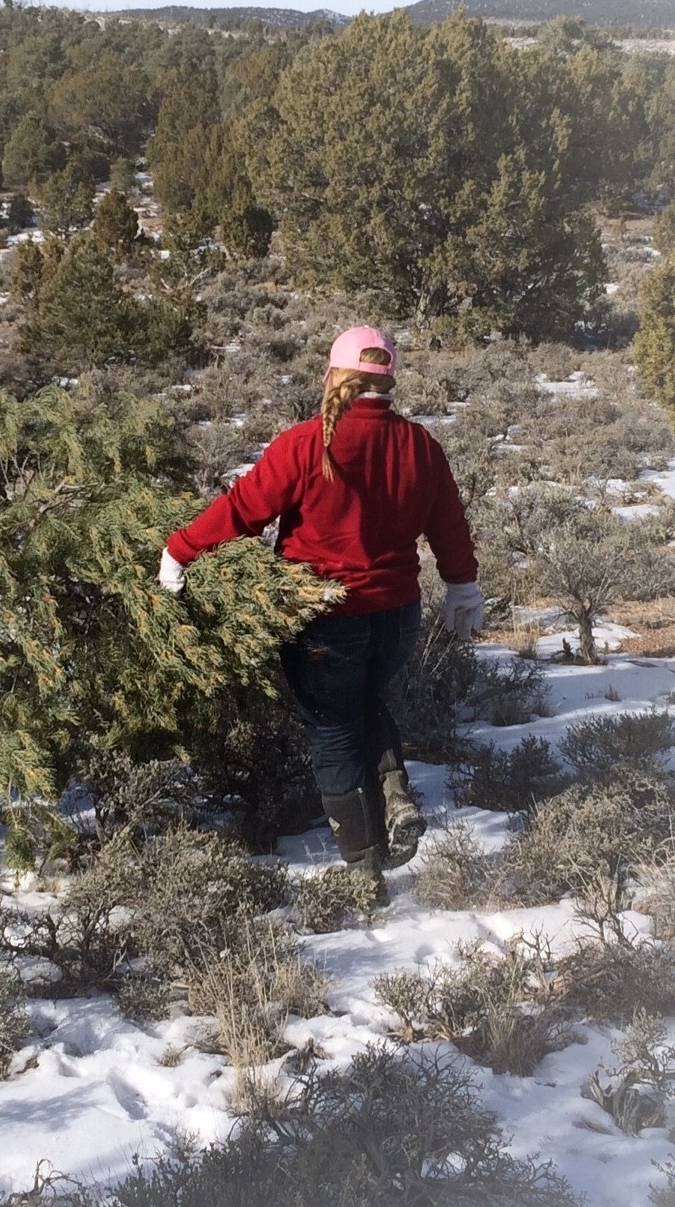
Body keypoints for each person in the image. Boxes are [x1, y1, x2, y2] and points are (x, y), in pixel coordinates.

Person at [159, 327, 483, 894]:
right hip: (397, 616)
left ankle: (364, 872)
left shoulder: (307, 443)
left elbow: (245, 510)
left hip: (323, 618)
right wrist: (462, 588)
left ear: (334, 376)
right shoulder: (420, 444)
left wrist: (180, 549)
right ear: (390, 380)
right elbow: (449, 527)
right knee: (364, 701)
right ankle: (393, 792)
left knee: (332, 729)